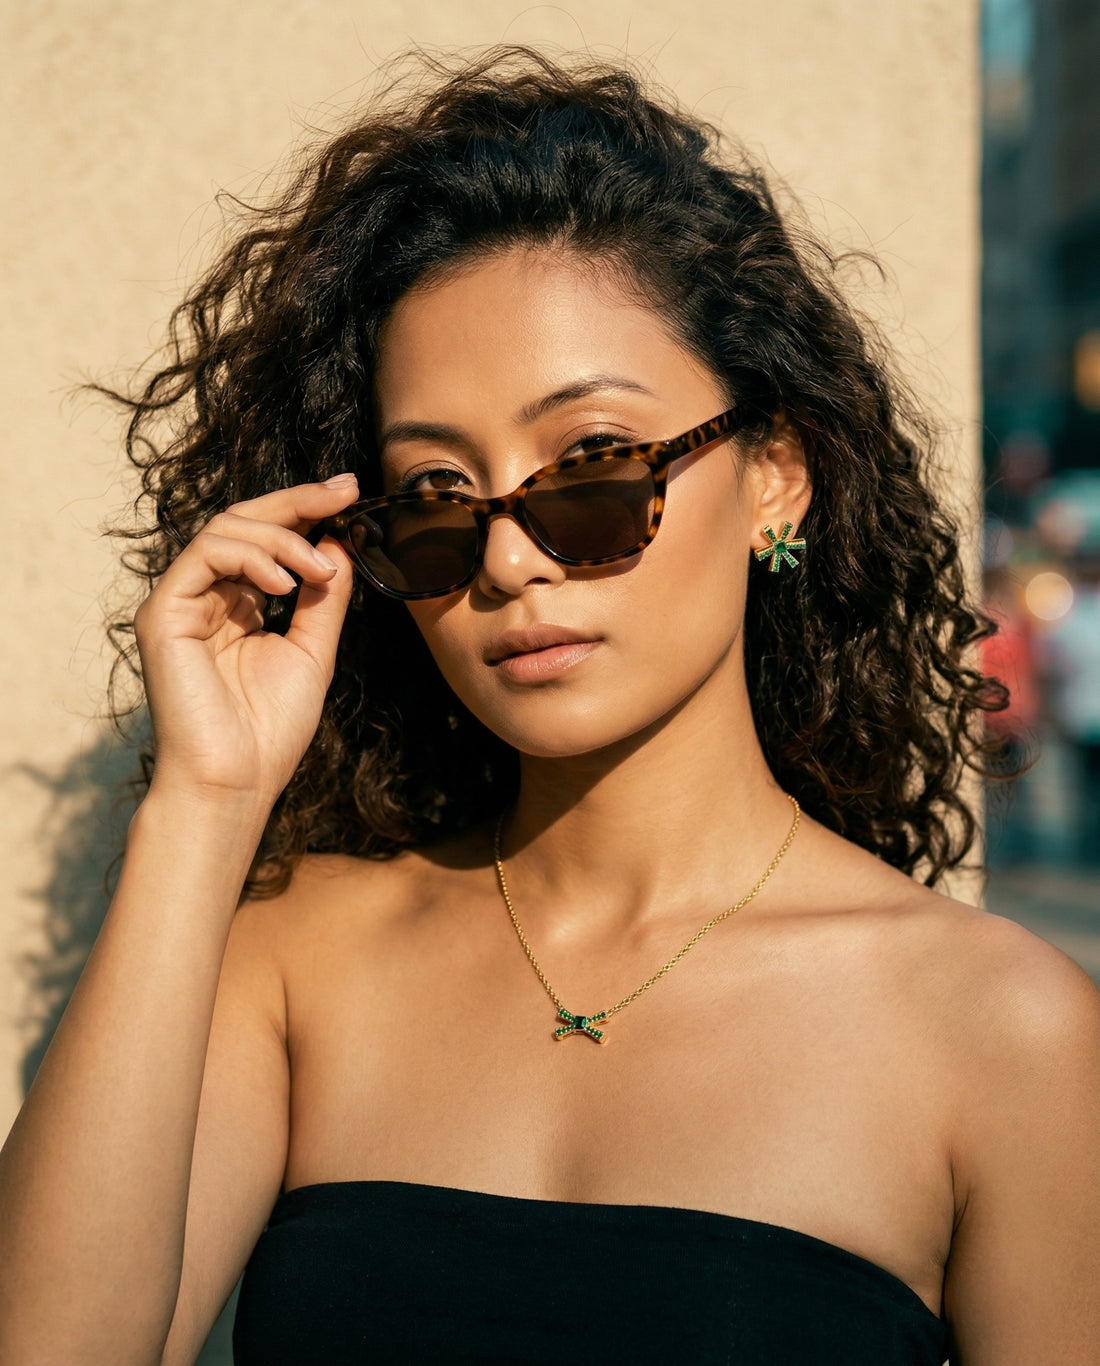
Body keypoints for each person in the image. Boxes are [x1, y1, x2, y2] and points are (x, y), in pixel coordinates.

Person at [1, 46, 1098, 1366]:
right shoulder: (296, 957)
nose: (510, 556)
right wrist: (205, 801)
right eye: (438, 497)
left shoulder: (1004, 1032)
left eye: (590, 469)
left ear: (775, 482)